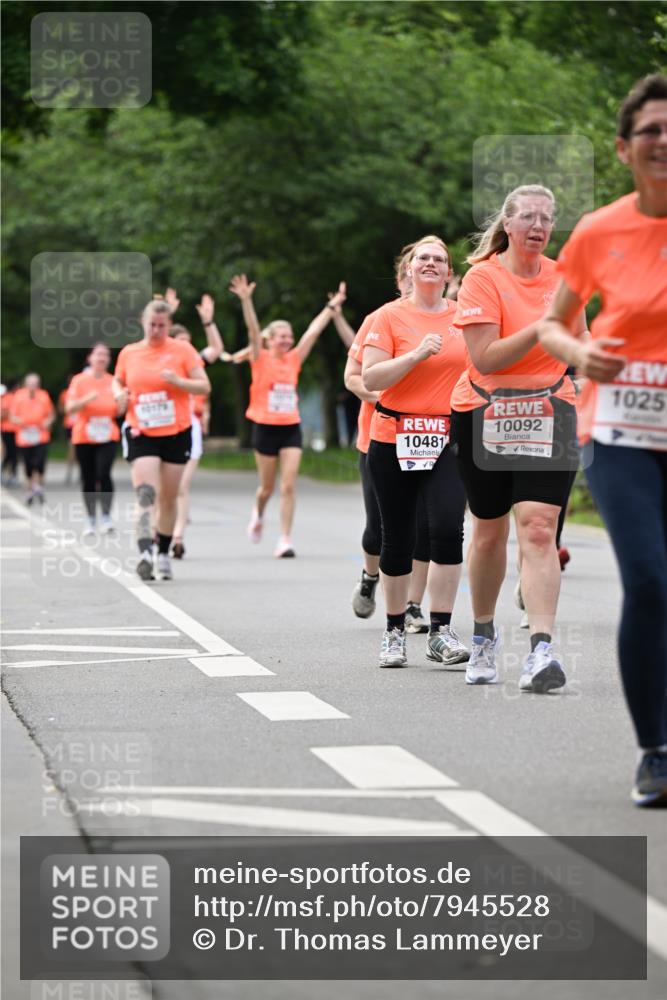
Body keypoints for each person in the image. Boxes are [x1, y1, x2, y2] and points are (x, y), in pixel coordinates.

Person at [538, 74, 667, 805]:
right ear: (624, 148)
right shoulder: (599, 231)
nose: (663, 140)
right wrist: (580, 353)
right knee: (648, 579)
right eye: (650, 129)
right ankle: (655, 750)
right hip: (619, 431)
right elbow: (553, 323)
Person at [449, 185, 588, 692]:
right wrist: (544, 328)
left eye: (546, 218)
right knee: (489, 531)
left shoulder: (564, 276)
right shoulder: (482, 278)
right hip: (485, 410)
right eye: (528, 216)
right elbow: (486, 359)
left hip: (551, 408)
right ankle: (483, 634)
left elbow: (581, 338)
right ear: (507, 224)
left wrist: (599, 364)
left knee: (539, 527)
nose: (538, 226)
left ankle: (540, 651)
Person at [362, 235, 469, 668]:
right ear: (409, 269)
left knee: (447, 528)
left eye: (439, 259)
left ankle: (441, 630)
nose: (430, 263)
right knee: (398, 536)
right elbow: (371, 378)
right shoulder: (388, 316)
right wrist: (417, 355)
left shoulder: (464, 317)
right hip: (393, 435)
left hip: (448, 437)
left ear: (448, 273)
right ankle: (393, 631)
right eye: (422, 257)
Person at [229, 274, 348, 558]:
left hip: (290, 427)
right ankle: (258, 514)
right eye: (282, 336)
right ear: (270, 340)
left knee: (288, 485)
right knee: (266, 488)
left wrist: (331, 308)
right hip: (264, 427)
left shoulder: (294, 358)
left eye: (289, 336)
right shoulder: (259, 357)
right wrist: (246, 300)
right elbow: (252, 330)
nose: (287, 340)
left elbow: (313, 332)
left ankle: (284, 539)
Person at [345, 243, 431, 628]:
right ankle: (370, 577)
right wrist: (383, 396)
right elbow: (352, 377)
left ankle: (412, 606)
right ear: (402, 278)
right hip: (380, 436)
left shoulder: (445, 321)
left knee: (425, 526)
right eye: (411, 271)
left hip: (429, 436)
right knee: (379, 528)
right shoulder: (380, 319)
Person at [113, 298, 210, 581]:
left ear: (169, 325)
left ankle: (164, 552)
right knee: (146, 494)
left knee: (168, 497)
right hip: (142, 432)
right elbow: (117, 380)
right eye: (152, 325)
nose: (156, 330)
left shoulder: (183, 350)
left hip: (176, 432)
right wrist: (119, 393)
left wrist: (179, 382)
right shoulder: (130, 353)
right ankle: (145, 554)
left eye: (162, 326)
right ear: (143, 323)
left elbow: (204, 385)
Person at [168, 292, 223, 557]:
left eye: (189, 344)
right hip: (159, 428)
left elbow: (216, 350)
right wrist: (167, 313)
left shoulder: (192, 362)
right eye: (181, 343)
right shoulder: (159, 361)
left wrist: (208, 322)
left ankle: (177, 537)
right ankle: (162, 531)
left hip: (188, 428)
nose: (186, 348)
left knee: (181, 486)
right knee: (164, 488)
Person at [65, 343, 123, 536]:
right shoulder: (79, 380)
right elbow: (69, 408)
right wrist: (87, 399)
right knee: (88, 477)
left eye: (106, 354)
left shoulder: (113, 381)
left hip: (108, 434)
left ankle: (106, 516)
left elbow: (120, 410)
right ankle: (90, 518)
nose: (102, 358)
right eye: (98, 354)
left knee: (103, 473)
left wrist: (124, 402)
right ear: (90, 358)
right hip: (84, 435)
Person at [10, 373, 55, 504]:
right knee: (28, 463)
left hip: (41, 435)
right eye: (30, 384)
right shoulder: (18, 396)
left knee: (40, 462)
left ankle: (39, 486)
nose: (33, 386)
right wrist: (21, 422)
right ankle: (29, 489)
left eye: (35, 384)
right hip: (24, 436)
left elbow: (51, 414)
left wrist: (48, 422)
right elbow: (12, 416)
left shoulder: (44, 396)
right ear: (25, 384)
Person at [1, 378, 20, 486]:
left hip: (17, 430)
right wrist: (10, 413)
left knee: (15, 454)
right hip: (7, 430)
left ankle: (13, 474)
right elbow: (2, 414)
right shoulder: (7, 398)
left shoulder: (18, 398)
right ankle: (6, 472)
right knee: (10, 453)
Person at [58, 378, 77, 484]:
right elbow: (61, 409)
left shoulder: (83, 392)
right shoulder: (65, 394)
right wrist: (68, 408)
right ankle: (69, 473)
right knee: (72, 450)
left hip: (81, 424)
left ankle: (82, 473)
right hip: (70, 425)